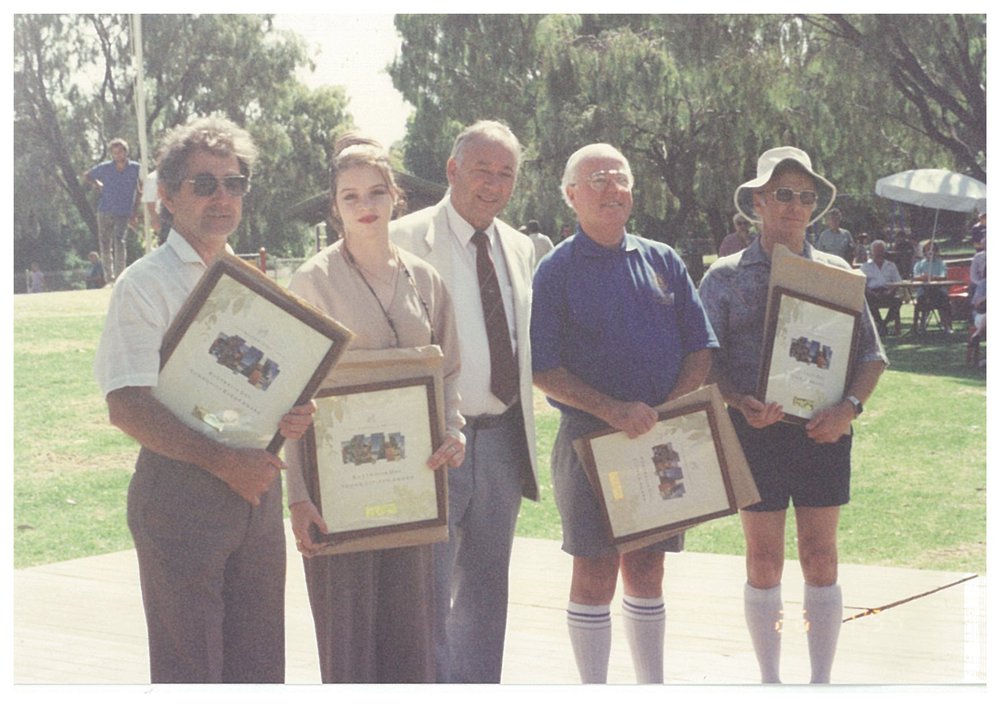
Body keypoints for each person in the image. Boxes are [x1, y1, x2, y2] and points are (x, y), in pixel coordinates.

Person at [93, 116, 317, 683]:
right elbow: (127, 405)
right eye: (204, 183)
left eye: (234, 183)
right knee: (189, 672)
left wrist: (292, 411)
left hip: (257, 491)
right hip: (181, 494)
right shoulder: (144, 284)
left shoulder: (253, 281)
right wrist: (225, 464)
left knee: (260, 669)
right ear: (166, 196)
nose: (223, 197)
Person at [698, 146, 887, 684]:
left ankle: (821, 683)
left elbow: (873, 357)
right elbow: (705, 360)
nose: (795, 206)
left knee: (821, 557)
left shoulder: (837, 274)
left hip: (822, 434)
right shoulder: (724, 278)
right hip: (754, 433)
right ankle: (770, 682)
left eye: (806, 197)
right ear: (758, 202)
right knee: (763, 562)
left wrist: (847, 410)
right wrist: (739, 402)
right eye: (783, 194)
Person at [531, 143, 718, 684]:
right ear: (570, 196)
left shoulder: (663, 259)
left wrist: (666, 413)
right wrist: (613, 411)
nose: (611, 188)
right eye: (597, 180)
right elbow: (544, 369)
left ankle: (650, 687)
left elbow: (700, 348)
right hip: (590, 442)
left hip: (659, 440)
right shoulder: (555, 271)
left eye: (620, 178)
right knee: (593, 571)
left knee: (648, 568)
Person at [284, 134, 466, 683]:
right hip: (336, 492)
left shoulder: (426, 279)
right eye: (350, 197)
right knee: (348, 644)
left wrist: (453, 431)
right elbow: (292, 395)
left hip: (411, 487)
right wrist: (298, 497)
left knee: (411, 640)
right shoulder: (311, 280)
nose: (365, 207)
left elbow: (449, 370)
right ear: (334, 208)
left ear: (396, 198)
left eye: (375, 193)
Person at [390, 120, 539, 683]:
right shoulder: (403, 239)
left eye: (506, 174)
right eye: (482, 171)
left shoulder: (521, 247)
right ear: (452, 171)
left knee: (485, 597)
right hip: (434, 445)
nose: (493, 185)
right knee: (423, 597)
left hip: (502, 441)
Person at [84, 137, 141, 282]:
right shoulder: (105, 167)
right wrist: (97, 184)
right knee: (105, 243)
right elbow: (87, 175)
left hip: (123, 210)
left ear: (126, 152)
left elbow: (140, 188)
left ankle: (120, 274)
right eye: (114, 153)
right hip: (105, 209)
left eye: (120, 152)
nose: (118, 155)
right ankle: (109, 276)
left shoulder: (135, 168)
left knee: (119, 241)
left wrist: (135, 211)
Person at [860, 239, 903, 336]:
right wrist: (870, 292)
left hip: (888, 291)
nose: (879, 253)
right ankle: (880, 323)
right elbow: (862, 283)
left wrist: (891, 291)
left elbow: (898, 281)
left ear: (884, 252)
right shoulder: (865, 267)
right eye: (876, 251)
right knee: (867, 302)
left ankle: (883, 324)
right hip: (872, 293)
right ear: (872, 252)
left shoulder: (891, 266)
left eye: (881, 251)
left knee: (898, 302)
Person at [912, 239, 953, 334]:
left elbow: (943, 277)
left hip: (939, 293)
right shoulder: (919, 264)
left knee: (945, 301)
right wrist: (924, 278)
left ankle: (947, 325)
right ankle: (920, 326)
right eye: (928, 250)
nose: (931, 252)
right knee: (921, 302)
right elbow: (915, 278)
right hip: (924, 293)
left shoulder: (941, 263)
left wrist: (931, 277)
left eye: (933, 249)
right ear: (924, 252)